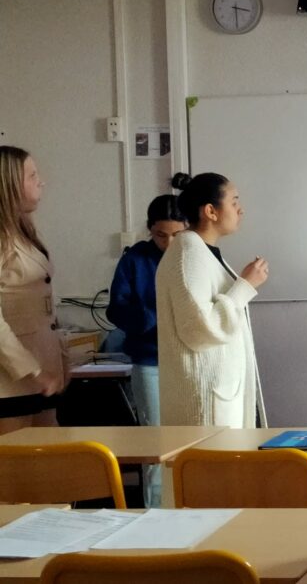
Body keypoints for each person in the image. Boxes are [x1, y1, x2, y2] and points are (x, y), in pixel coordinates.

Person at [155, 172, 268, 428]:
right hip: (205, 403)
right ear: (210, 211)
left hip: (218, 394)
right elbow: (198, 329)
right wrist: (245, 286)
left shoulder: (202, 252)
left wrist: (243, 286)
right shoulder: (188, 254)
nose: (240, 210)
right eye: (234, 202)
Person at [105, 194, 186, 506]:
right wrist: (149, 319)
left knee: (193, 436)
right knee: (156, 441)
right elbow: (116, 309)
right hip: (150, 360)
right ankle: (155, 512)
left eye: (177, 235)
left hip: (190, 360)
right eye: (161, 235)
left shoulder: (195, 254)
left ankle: (190, 507)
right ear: (150, 229)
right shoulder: (135, 259)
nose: (169, 243)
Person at [0, 146, 65, 435]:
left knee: (49, 457)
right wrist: (32, 370)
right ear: (10, 183)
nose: (41, 182)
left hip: (42, 375)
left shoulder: (23, 231)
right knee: (15, 462)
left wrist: (61, 359)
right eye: (32, 175)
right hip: (11, 382)